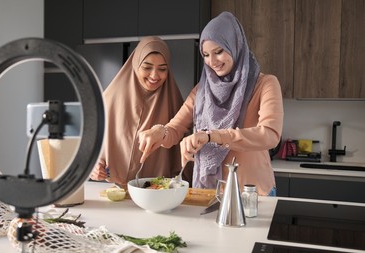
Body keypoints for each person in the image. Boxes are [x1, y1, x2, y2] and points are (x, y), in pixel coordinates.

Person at [138, 12, 284, 196]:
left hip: (251, 192)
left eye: (219, 52)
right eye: (206, 55)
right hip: (208, 193)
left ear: (235, 46)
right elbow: (174, 129)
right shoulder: (201, 90)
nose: (212, 62)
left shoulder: (265, 84)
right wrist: (160, 131)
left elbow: (270, 135)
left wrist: (211, 136)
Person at [90, 36, 185, 187]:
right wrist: (93, 166)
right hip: (116, 191)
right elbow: (91, 147)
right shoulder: (109, 99)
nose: (154, 75)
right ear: (135, 64)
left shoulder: (177, 103)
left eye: (162, 69)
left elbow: (184, 147)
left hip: (159, 191)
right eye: (147, 67)